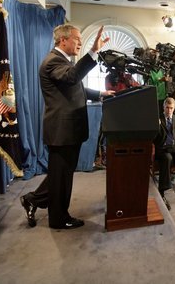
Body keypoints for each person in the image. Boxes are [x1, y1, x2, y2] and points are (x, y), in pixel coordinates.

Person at [20, 24, 114, 229]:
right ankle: (59, 219)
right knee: (61, 176)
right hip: (62, 131)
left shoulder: (62, 61)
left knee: (60, 174)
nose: (80, 43)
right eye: (77, 39)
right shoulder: (53, 61)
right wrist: (94, 51)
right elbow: (73, 77)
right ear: (63, 40)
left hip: (68, 130)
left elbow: (76, 87)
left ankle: (32, 199)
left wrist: (100, 94)